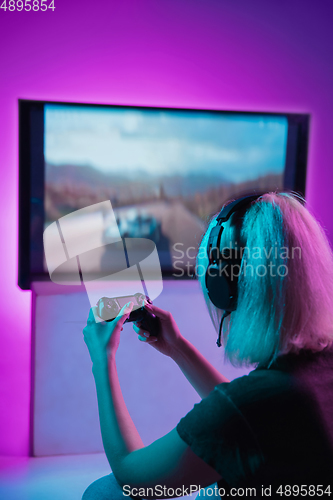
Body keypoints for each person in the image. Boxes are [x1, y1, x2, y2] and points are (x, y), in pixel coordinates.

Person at [82, 192, 333, 499]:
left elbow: (135, 479)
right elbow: (251, 417)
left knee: (105, 493)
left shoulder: (257, 402)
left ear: (223, 289)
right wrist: (178, 348)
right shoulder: (295, 384)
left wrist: (102, 360)